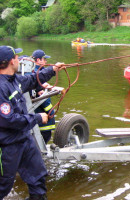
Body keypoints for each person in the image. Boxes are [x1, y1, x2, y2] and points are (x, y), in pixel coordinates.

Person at [0, 45, 64, 199]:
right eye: (17, 57)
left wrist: (53, 69)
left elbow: (32, 80)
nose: (19, 59)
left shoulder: (14, 79)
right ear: (11, 61)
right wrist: (36, 118)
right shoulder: (1, 87)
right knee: (3, 185)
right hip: (7, 145)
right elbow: (8, 120)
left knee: (38, 177)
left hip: (24, 140)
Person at [32, 49, 55, 144]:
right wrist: (51, 112)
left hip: (34, 118)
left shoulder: (32, 71)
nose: (46, 61)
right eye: (44, 59)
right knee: (43, 140)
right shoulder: (37, 74)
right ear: (38, 60)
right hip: (42, 120)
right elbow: (44, 99)